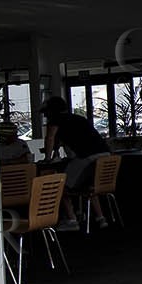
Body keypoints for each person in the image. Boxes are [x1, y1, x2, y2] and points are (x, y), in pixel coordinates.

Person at [41, 95, 111, 229]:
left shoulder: (56, 120)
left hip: (87, 157)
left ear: (51, 111)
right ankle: (100, 218)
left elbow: (50, 138)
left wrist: (47, 159)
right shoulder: (78, 118)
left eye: (46, 113)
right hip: (104, 155)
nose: (45, 116)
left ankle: (72, 220)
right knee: (87, 184)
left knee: (61, 187)